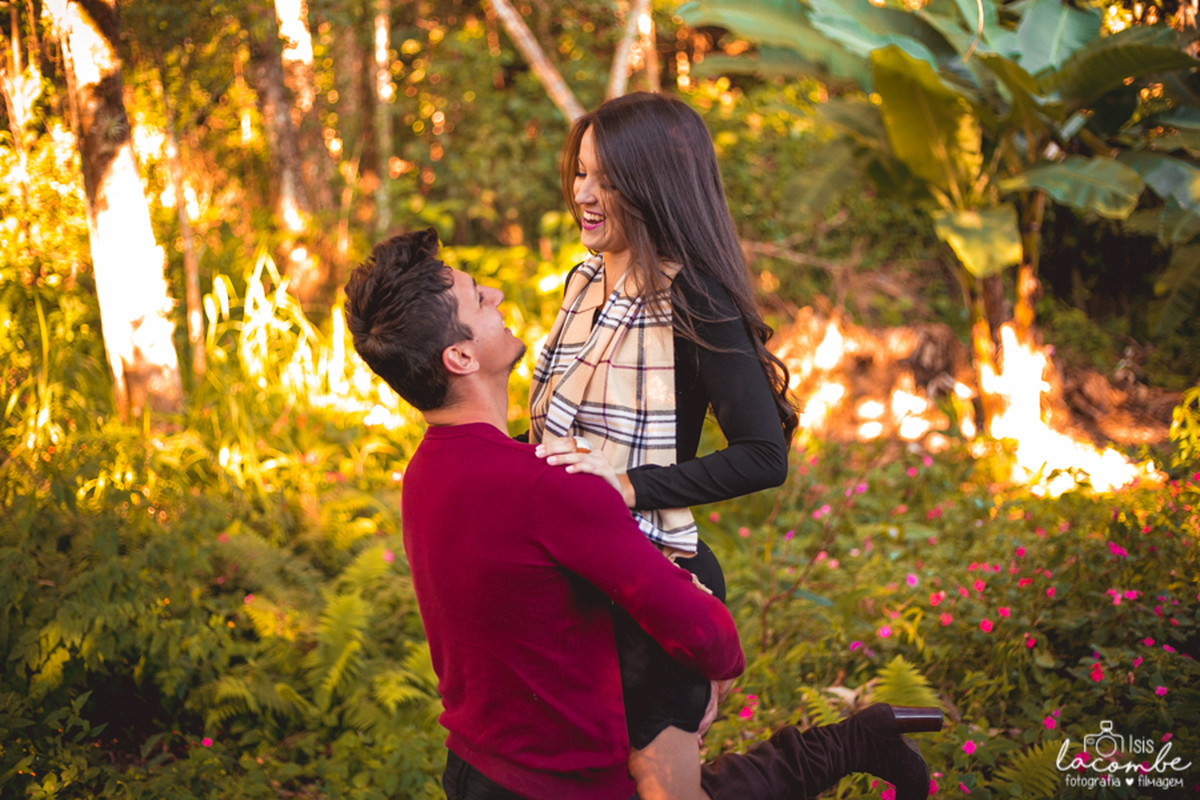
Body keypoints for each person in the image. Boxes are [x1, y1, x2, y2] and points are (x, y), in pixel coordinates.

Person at [344, 228, 942, 800]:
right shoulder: (547, 486)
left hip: (474, 769)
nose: (495, 295)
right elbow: (709, 633)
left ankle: (860, 742)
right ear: (460, 357)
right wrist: (715, 669)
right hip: (559, 786)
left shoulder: (425, 471)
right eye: (479, 298)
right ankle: (857, 743)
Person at [527, 91, 797, 799]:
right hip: (575, 575)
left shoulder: (694, 299)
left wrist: (632, 485)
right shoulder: (584, 283)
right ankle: (836, 750)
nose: (585, 195)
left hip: (650, 577)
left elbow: (764, 456)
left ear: (653, 188)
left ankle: (832, 753)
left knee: (664, 790)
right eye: (581, 173)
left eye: (607, 181)